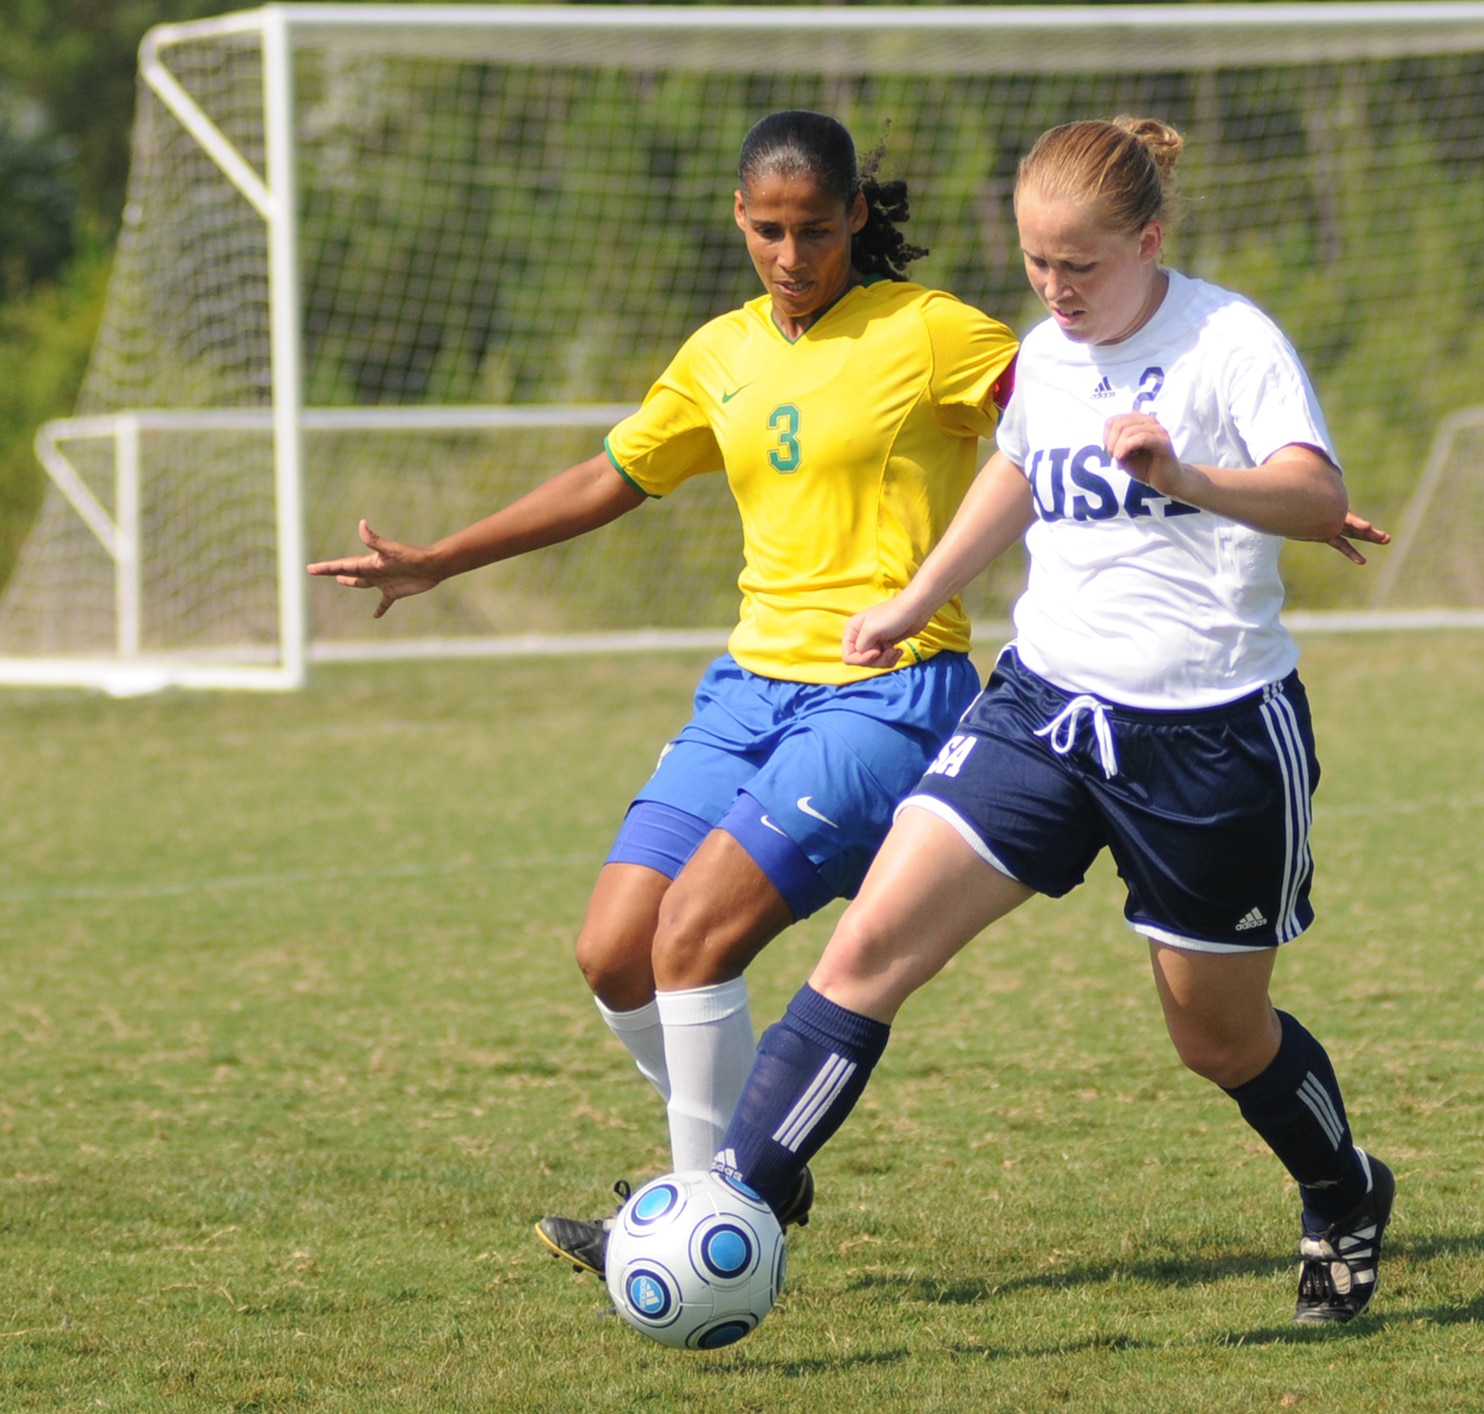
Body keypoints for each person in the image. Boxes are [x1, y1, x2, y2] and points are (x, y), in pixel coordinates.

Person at [708, 115, 1396, 1327]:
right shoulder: (1050, 350)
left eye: (1078, 264)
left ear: (1148, 236)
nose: (1054, 288)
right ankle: (731, 1205)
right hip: (1042, 707)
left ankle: (1341, 1190)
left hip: (1210, 735)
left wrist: (1186, 475)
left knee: (1215, 1040)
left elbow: (1317, 492)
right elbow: (1020, 468)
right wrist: (917, 595)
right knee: (866, 951)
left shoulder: (1228, 342)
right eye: (1034, 261)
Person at [306, 111, 1020, 1276]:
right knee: (613, 952)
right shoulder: (721, 353)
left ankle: (708, 1224)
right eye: (769, 231)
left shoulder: (930, 332)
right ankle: (752, 1165)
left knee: (694, 938)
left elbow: (1066, 413)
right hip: (745, 689)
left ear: (855, 220)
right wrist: (442, 558)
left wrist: (1204, 484)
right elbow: (611, 473)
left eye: (817, 231)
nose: (792, 258)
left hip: (882, 693)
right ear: (739, 221)